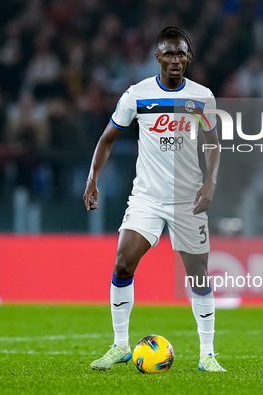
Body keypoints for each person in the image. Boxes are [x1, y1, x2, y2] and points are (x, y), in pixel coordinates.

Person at [84, 26, 225, 372]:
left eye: (181, 54)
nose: (175, 59)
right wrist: (92, 178)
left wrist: (210, 184)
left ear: (188, 57)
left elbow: (213, 144)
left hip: (187, 199)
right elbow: (107, 139)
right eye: (169, 53)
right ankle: (119, 346)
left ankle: (207, 354)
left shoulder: (202, 96)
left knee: (198, 276)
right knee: (122, 265)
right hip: (146, 198)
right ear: (158, 56)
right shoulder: (137, 95)